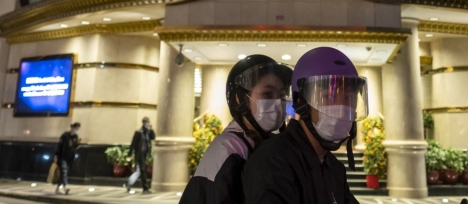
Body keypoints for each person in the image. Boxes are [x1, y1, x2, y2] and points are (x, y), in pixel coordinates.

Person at [242, 47, 367, 204]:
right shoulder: (271, 163)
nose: (342, 108)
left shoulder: (334, 168)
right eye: (328, 96)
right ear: (300, 102)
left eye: (349, 98)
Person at [180, 55, 293, 204]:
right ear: (240, 99)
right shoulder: (228, 149)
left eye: (282, 95)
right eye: (267, 94)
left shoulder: (267, 142)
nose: (277, 102)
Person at [127, 117, 155, 194]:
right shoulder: (139, 132)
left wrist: (151, 129)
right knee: (142, 170)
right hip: (139, 154)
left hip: (145, 153)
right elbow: (133, 144)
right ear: (143, 123)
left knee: (140, 171)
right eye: (146, 122)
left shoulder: (148, 132)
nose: (147, 123)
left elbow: (153, 137)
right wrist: (129, 154)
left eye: (148, 122)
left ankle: (129, 183)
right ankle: (145, 188)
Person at [54, 122, 80, 195]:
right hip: (63, 157)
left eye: (77, 129)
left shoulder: (75, 136)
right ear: (72, 127)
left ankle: (57, 188)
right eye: (75, 128)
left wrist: (78, 143)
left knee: (63, 173)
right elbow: (59, 146)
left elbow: (74, 147)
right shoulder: (65, 135)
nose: (76, 130)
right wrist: (56, 155)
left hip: (70, 158)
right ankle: (66, 187)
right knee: (64, 171)